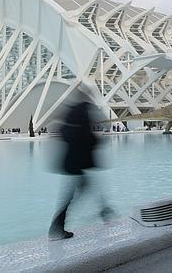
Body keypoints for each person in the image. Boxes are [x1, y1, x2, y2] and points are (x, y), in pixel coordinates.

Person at [49, 101, 113, 240]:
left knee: (81, 190)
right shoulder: (81, 127)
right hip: (77, 166)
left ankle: (104, 211)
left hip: (73, 166)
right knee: (74, 194)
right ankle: (57, 227)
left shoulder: (71, 126)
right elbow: (91, 142)